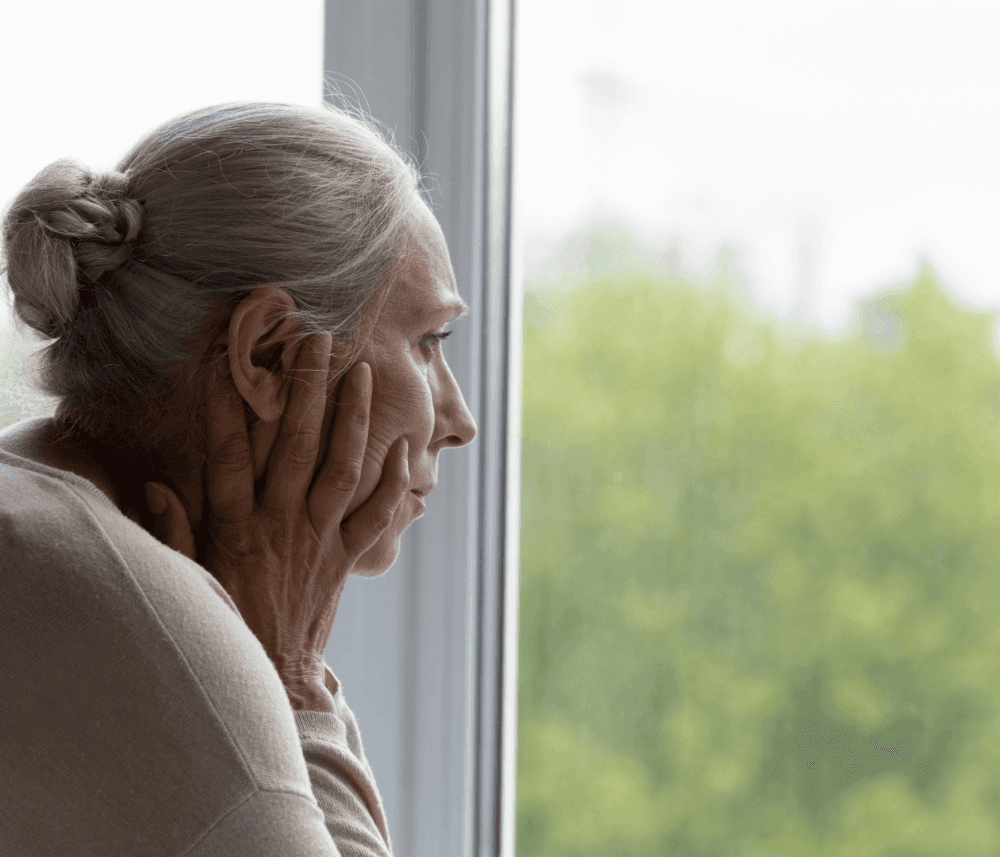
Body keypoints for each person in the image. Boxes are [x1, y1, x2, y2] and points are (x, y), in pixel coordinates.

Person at [0, 101, 476, 856]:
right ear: (269, 355)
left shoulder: (32, 506)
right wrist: (290, 677)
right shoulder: (155, 636)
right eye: (427, 341)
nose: (458, 420)